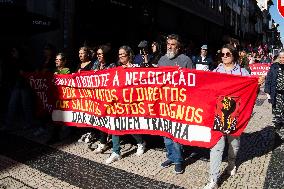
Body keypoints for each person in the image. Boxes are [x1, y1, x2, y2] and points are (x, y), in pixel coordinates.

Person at [203, 44, 253, 189]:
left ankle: (231, 163)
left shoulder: (243, 72)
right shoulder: (216, 71)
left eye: (228, 54)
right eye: (222, 54)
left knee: (233, 144)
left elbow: (251, 90)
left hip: (235, 113)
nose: (224, 57)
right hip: (218, 112)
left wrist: (257, 83)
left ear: (234, 55)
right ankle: (213, 179)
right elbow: (207, 87)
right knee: (216, 145)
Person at [158, 34, 193, 174]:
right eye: (168, 44)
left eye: (172, 44)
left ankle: (179, 160)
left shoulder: (186, 60)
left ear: (178, 47)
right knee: (165, 133)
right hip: (164, 103)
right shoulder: (161, 60)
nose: (169, 46)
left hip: (179, 103)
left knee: (175, 133)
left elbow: (193, 81)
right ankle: (171, 156)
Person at [105, 45, 146, 164]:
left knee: (130, 125)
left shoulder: (136, 67)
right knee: (115, 125)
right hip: (118, 102)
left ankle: (141, 142)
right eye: (120, 54)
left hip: (131, 102)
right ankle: (116, 152)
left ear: (129, 55)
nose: (121, 56)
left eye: (123, 54)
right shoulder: (116, 68)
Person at [91, 44, 116, 153]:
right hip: (98, 97)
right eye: (98, 54)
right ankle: (102, 142)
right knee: (100, 120)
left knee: (107, 120)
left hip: (109, 97)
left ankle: (107, 142)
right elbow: (89, 76)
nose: (99, 56)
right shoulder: (96, 64)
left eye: (101, 54)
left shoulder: (112, 65)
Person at [264, 50, 284, 145]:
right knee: (277, 115)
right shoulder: (274, 67)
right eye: (280, 57)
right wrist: (268, 94)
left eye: (283, 57)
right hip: (277, 95)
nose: (282, 59)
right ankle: (277, 135)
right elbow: (268, 80)